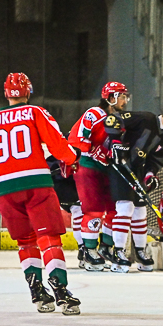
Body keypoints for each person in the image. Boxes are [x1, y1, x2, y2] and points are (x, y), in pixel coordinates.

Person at [0, 72, 82, 316]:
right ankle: (60, 291)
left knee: (25, 241)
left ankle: (37, 291)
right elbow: (57, 143)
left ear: (6, 94)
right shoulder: (35, 112)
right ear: (28, 91)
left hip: (7, 190)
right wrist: (73, 157)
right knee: (49, 238)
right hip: (37, 184)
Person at [103, 100, 163, 273]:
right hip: (119, 165)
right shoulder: (145, 119)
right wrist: (115, 142)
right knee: (125, 208)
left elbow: (155, 161)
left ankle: (140, 252)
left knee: (140, 211)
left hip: (137, 170)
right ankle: (119, 252)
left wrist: (150, 175)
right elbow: (112, 120)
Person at [68, 81, 131, 271]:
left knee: (113, 209)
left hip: (108, 169)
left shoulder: (120, 120)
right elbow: (75, 138)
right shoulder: (95, 114)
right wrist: (92, 149)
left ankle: (105, 247)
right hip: (88, 167)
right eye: (121, 96)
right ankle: (88, 250)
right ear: (111, 97)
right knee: (93, 210)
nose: (124, 100)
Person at [46, 153, 86, 269]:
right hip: (65, 186)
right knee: (79, 210)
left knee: (78, 210)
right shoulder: (73, 146)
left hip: (59, 187)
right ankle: (85, 250)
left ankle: (83, 249)